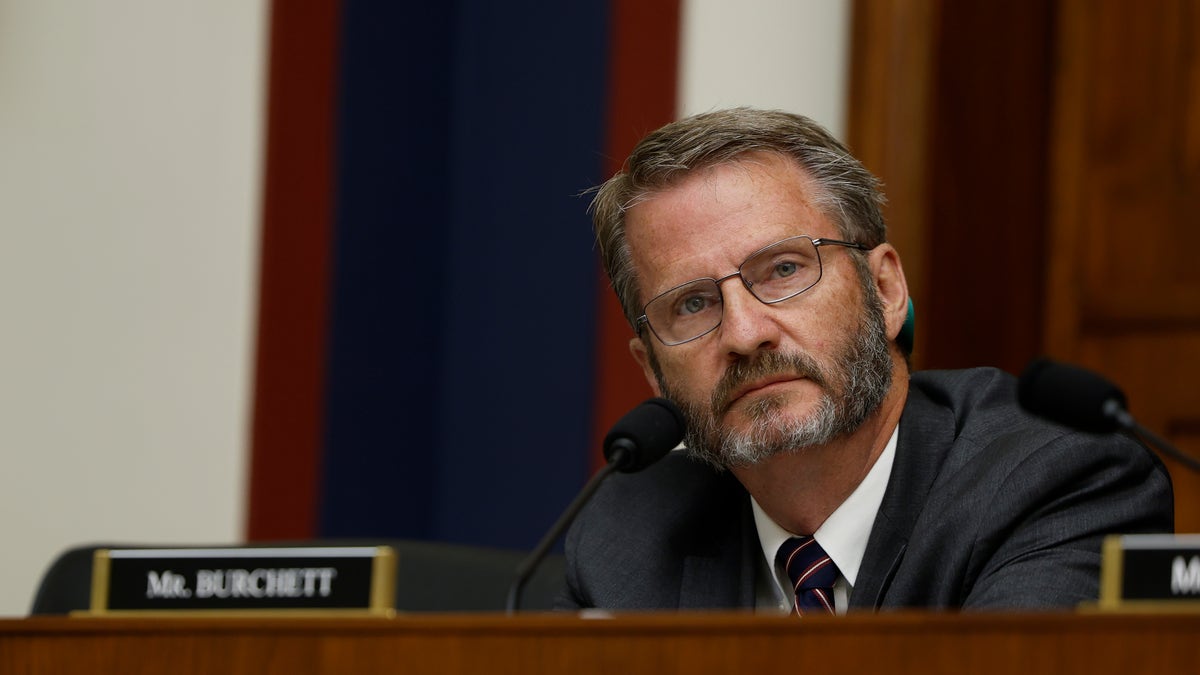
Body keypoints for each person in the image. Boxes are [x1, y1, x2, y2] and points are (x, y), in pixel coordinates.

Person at [559, 107, 1173, 613]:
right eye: (691, 304)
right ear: (651, 370)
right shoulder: (627, 530)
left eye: (784, 269)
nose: (745, 334)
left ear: (884, 290)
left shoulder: (1053, 480)